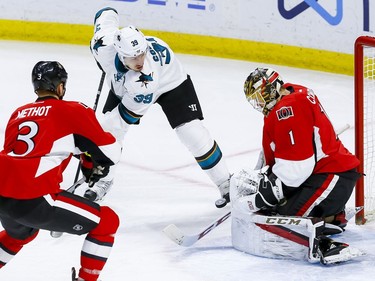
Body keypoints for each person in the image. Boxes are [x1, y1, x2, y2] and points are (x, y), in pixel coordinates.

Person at [87, 7, 231, 206]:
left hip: (171, 83)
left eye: (142, 54)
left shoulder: (144, 79)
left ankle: (225, 183)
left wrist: (98, 134)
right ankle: (104, 180)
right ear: (119, 52)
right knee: (109, 133)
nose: (140, 61)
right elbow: (104, 14)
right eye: (133, 57)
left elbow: (123, 121)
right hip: (123, 84)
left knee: (192, 132)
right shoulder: (103, 45)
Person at [0, 61, 122, 281]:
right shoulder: (73, 109)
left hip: (2, 195)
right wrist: (93, 161)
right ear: (59, 86)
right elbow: (110, 154)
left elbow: (39, 149)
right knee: (107, 221)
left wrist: (84, 158)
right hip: (33, 197)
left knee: (19, 234)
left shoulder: (18, 114)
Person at [229, 67, 363, 264]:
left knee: (282, 219)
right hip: (324, 174)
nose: (258, 103)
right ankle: (332, 218)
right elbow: (284, 148)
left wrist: (259, 199)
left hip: (332, 177)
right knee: (275, 205)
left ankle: (323, 242)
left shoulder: (286, 110)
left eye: (260, 95)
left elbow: (297, 169)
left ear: (273, 88)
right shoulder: (293, 93)